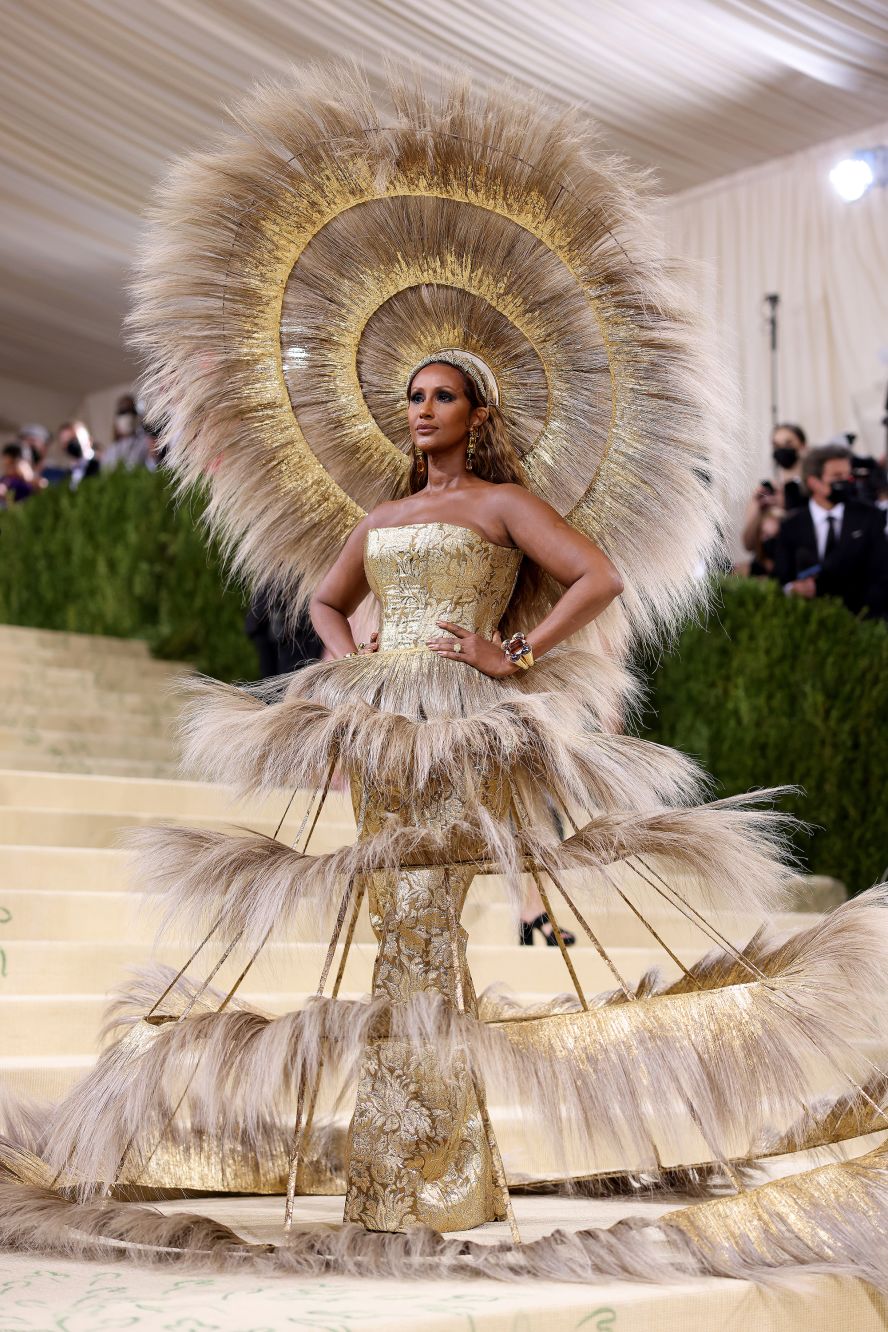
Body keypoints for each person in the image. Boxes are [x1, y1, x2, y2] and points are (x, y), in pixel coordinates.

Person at [2, 67, 888, 1288]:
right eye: (412, 396)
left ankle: (423, 1152)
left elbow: (596, 579)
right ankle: (412, 1154)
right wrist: (356, 673)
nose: (421, 411)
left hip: (467, 722)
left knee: (429, 914)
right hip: (379, 728)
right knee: (391, 913)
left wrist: (509, 655)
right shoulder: (382, 510)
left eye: (442, 397)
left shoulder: (506, 503)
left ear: (479, 411)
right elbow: (323, 598)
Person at [775, 443, 888, 618]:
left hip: (862, 623)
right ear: (814, 482)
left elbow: (881, 575)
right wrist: (795, 589)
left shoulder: (870, 517)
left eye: (848, 475)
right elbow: (781, 578)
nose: (846, 481)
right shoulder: (791, 525)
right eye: (837, 476)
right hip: (809, 625)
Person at [740, 422, 807, 562]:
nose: (782, 449)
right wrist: (759, 510)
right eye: (776, 445)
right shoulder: (767, 490)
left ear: (803, 446)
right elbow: (748, 544)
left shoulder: (813, 487)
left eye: (788, 443)